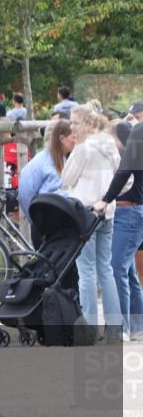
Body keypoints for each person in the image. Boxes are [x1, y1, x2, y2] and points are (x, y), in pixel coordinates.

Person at [61, 106, 122, 339]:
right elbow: (125, 180)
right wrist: (107, 198)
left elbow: (67, 178)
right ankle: (115, 328)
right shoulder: (110, 145)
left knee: (86, 272)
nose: (72, 127)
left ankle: (90, 328)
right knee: (105, 269)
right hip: (107, 211)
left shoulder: (83, 148)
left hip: (85, 213)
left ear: (87, 124)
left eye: (75, 122)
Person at [94, 120, 143, 340]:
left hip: (128, 213)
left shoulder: (129, 153)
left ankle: (122, 326)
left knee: (116, 269)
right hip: (130, 213)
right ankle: (137, 326)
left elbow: (122, 175)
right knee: (127, 271)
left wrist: (105, 199)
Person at [18, 120, 69, 244]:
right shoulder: (40, 163)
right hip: (45, 227)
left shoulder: (67, 159)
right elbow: (25, 195)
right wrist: (37, 221)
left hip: (63, 224)